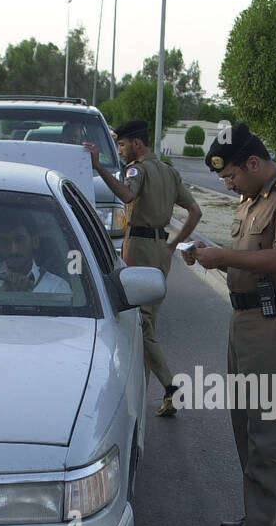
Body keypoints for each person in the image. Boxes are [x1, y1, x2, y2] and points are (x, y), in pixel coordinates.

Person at [180, 123, 276, 526]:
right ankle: (272, 516)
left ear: (254, 163)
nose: (228, 184)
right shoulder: (253, 200)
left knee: (270, 430)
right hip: (246, 320)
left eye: (232, 176)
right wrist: (212, 254)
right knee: (246, 424)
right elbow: (248, 261)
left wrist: (223, 256)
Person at [86, 119, 202, 417]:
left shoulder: (136, 170)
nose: (121, 150)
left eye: (123, 145)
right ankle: (144, 391)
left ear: (137, 144)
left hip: (138, 247)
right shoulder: (169, 172)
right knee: (148, 321)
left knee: (141, 322)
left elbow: (126, 196)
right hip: (161, 249)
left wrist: (99, 167)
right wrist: (174, 243)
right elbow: (195, 211)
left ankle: (170, 386)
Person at [0, 206, 72, 294]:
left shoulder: (57, 287)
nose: (13, 250)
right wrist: (3, 293)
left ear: (35, 242)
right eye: (5, 241)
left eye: (19, 240)